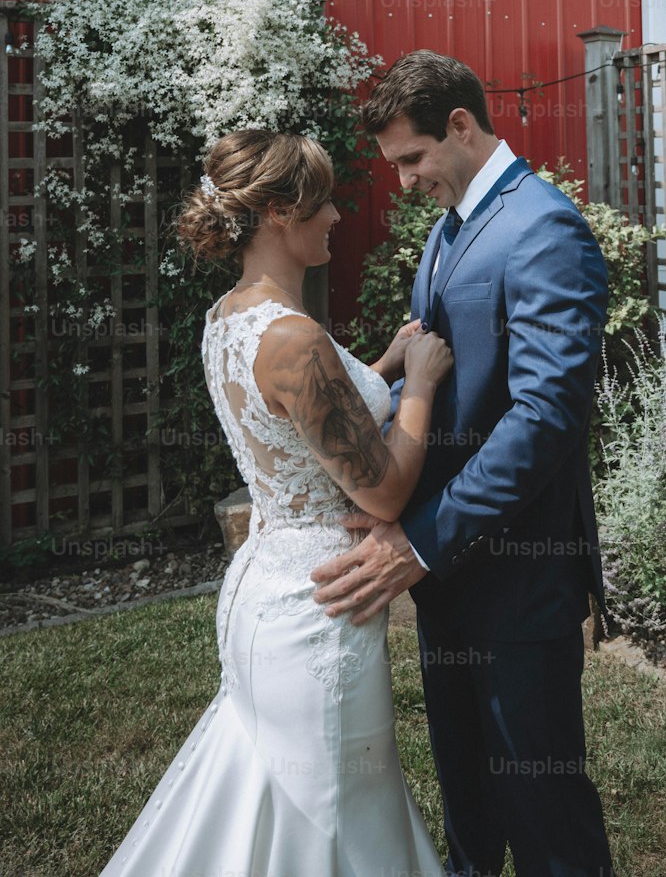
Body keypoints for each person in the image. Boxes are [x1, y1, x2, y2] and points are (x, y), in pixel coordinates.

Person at [99, 129, 451, 877]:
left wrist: (378, 364)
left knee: (266, 797)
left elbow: (294, 422)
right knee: (334, 821)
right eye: (322, 202)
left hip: (263, 585)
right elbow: (384, 486)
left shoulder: (230, 316)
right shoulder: (293, 340)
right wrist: (418, 382)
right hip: (318, 611)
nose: (335, 216)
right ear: (278, 214)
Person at [311, 52, 616, 877]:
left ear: (461, 124)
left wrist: (419, 541)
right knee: (469, 809)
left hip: (517, 581)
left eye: (412, 159)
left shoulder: (544, 228)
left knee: (547, 819)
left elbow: (545, 418)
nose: (404, 182)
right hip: (446, 573)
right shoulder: (450, 228)